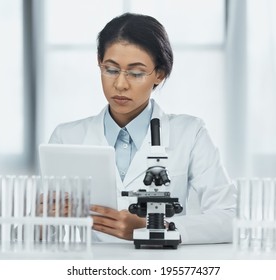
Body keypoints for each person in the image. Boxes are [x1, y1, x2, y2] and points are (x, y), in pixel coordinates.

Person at [48, 13, 237, 244]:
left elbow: (230, 218)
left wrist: (157, 229)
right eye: (111, 69)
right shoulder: (66, 138)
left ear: (159, 74)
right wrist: (41, 218)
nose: (120, 84)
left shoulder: (190, 133)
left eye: (136, 73)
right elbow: (39, 237)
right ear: (99, 62)